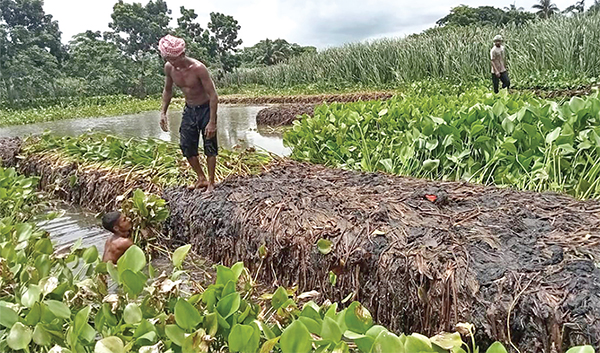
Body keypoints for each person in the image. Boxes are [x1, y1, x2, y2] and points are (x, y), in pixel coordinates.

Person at [159, 34, 219, 193]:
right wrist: (163, 112)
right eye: (168, 59)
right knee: (186, 146)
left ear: (182, 55)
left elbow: (213, 96)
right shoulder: (169, 68)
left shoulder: (198, 68)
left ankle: (212, 182)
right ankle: (201, 177)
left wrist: (212, 122)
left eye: (174, 59)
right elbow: (167, 90)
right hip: (189, 109)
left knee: (209, 145)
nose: (172, 62)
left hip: (205, 108)